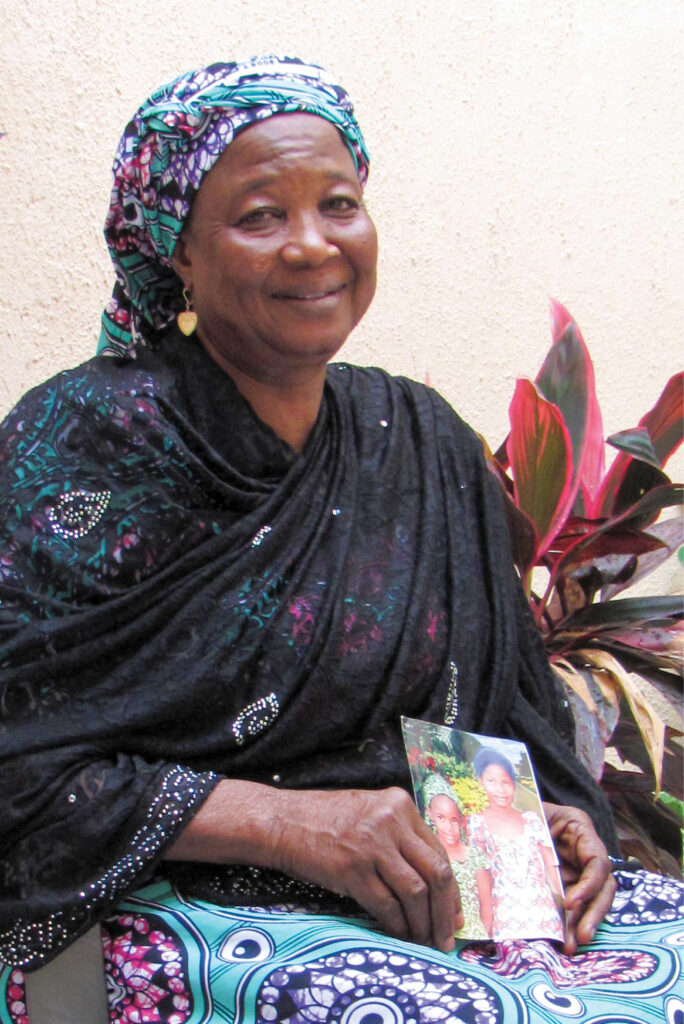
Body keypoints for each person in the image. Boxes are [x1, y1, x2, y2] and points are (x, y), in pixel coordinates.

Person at [0, 56, 682, 1024]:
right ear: (175, 251)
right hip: (156, 897)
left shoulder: (419, 438)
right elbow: (19, 753)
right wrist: (284, 822)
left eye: (340, 203)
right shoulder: (87, 439)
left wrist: (544, 825)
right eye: (259, 216)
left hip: (433, 885)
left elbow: (501, 712)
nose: (313, 246)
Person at [467, 748, 564, 941]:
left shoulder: (532, 820)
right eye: (492, 781)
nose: (500, 790)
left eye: (506, 782)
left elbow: (551, 866)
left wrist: (566, 908)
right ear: (481, 782)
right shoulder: (477, 823)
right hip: (505, 917)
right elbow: (481, 874)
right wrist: (486, 918)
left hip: (543, 915)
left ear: (513, 785)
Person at [422, 773, 493, 939]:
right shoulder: (427, 853)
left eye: (454, 820)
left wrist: (483, 939)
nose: (449, 827)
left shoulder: (474, 855)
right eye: (441, 818)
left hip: (475, 938)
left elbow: (487, 907)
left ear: (461, 821)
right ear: (430, 814)